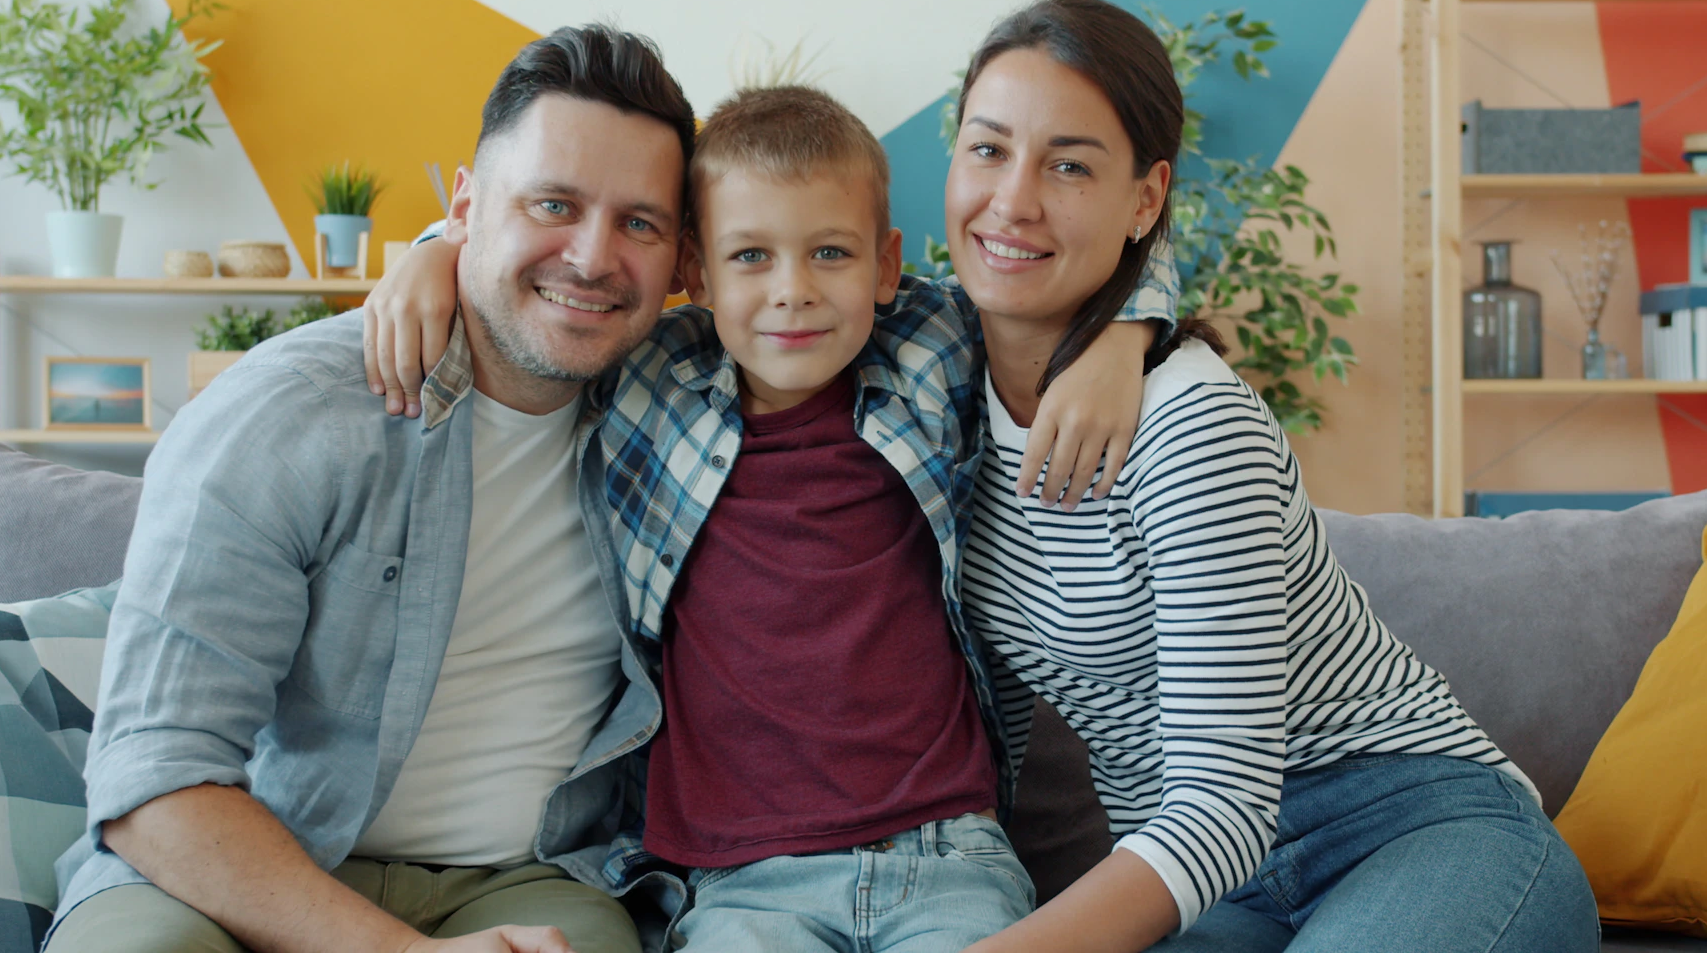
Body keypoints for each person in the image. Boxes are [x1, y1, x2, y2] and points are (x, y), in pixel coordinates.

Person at [360, 83, 1180, 951]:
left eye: (831, 252)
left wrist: (1124, 336)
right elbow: (533, 280)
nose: (793, 292)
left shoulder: (932, 346)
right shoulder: (649, 376)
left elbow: (1090, 259)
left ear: (887, 263)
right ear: (694, 273)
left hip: (947, 856)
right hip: (742, 884)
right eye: (750, 257)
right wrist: (433, 252)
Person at [937, 0, 1602, 953]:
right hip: (1207, 891)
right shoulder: (927, 386)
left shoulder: (1188, 422)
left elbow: (1221, 803)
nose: (1013, 200)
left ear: (1145, 199)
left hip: (1412, 827)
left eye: (1070, 164)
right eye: (988, 149)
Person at [46, 24, 700, 953]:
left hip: (526, 881)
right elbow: (154, 777)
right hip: (250, 861)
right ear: (468, 205)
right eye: (553, 204)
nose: (593, 257)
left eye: (640, 222)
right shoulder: (288, 416)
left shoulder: (681, 404)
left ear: (682, 261)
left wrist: (433, 248)